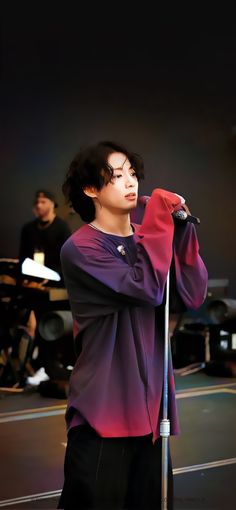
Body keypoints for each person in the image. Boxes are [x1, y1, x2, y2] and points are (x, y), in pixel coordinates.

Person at [58, 141, 208, 509]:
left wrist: (182, 233)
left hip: (153, 416)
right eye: (115, 176)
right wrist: (158, 220)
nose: (130, 182)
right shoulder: (81, 248)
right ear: (91, 190)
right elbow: (146, 288)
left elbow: (191, 294)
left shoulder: (148, 237)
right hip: (103, 414)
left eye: (132, 173)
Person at [16, 190, 71, 385]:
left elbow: (66, 261)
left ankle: (56, 363)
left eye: (43, 201)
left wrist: (47, 279)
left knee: (52, 322)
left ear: (52, 204)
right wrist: (27, 279)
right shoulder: (28, 229)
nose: (39, 205)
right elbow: (24, 259)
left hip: (56, 286)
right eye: (37, 201)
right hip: (33, 287)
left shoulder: (62, 228)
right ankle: (38, 364)